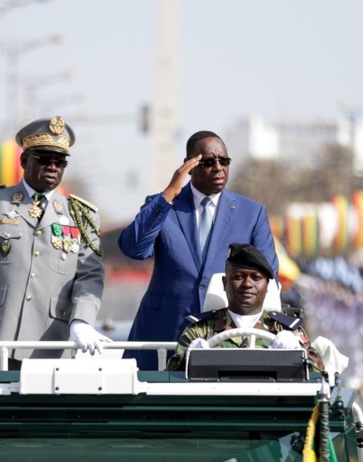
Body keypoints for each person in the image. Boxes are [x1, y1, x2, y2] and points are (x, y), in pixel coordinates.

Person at [0, 116, 107, 367]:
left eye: (60, 162)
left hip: (52, 343)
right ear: (24, 160)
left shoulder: (82, 215)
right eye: (44, 159)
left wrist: (82, 320)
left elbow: (90, 276)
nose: (53, 167)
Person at [120, 131, 278, 370]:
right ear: (189, 166)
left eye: (223, 161)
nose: (218, 168)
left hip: (224, 338)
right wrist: (169, 193)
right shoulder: (164, 205)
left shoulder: (251, 213)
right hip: (163, 331)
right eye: (208, 162)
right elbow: (134, 248)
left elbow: (268, 274)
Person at [166, 243, 318, 372]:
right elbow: (171, 376)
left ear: (267, 286)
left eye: (256, 278)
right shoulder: (201, 330)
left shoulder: (285, 329)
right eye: (238, 277)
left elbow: (319, 371)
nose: (247, 284)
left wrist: (299, 353)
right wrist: (189, 359)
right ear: (225, 283)